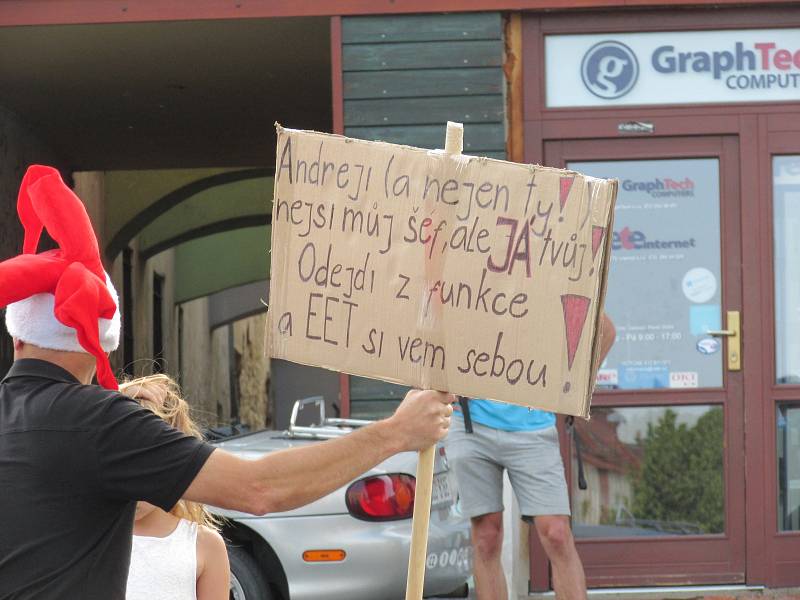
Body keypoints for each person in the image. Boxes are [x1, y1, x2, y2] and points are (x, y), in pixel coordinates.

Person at [0, 165, 455, 599]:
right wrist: (397, 432)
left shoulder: (62, 423)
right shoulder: (98, 425)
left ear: (17, 335)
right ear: (100, 340)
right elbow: (259, 490)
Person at [446, 314, 616, 600]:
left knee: (557, 533)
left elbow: (605, 330)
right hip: (470, 423)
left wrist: (574, 387)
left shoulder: (549, 273)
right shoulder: (471, 274)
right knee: (486, 536)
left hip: (532, 426)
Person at [120, 374, 229, 600]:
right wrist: (113, 396)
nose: (134, 478)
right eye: (122, 459)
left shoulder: (203, 545)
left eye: (150, 461)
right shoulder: (86, 533)